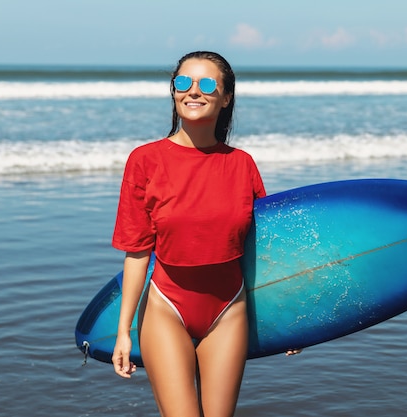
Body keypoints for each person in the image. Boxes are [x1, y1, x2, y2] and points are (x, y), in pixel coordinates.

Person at [110, 51, 266, 417]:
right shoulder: (145, 160)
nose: (193, 91)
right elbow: (137, 252)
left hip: (229, 309)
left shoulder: (241, 164)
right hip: (167, 307)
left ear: (226, 97)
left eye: (207, 84)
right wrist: (124, 330)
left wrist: (292, 317)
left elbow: (261, 249)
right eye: (183, 82)